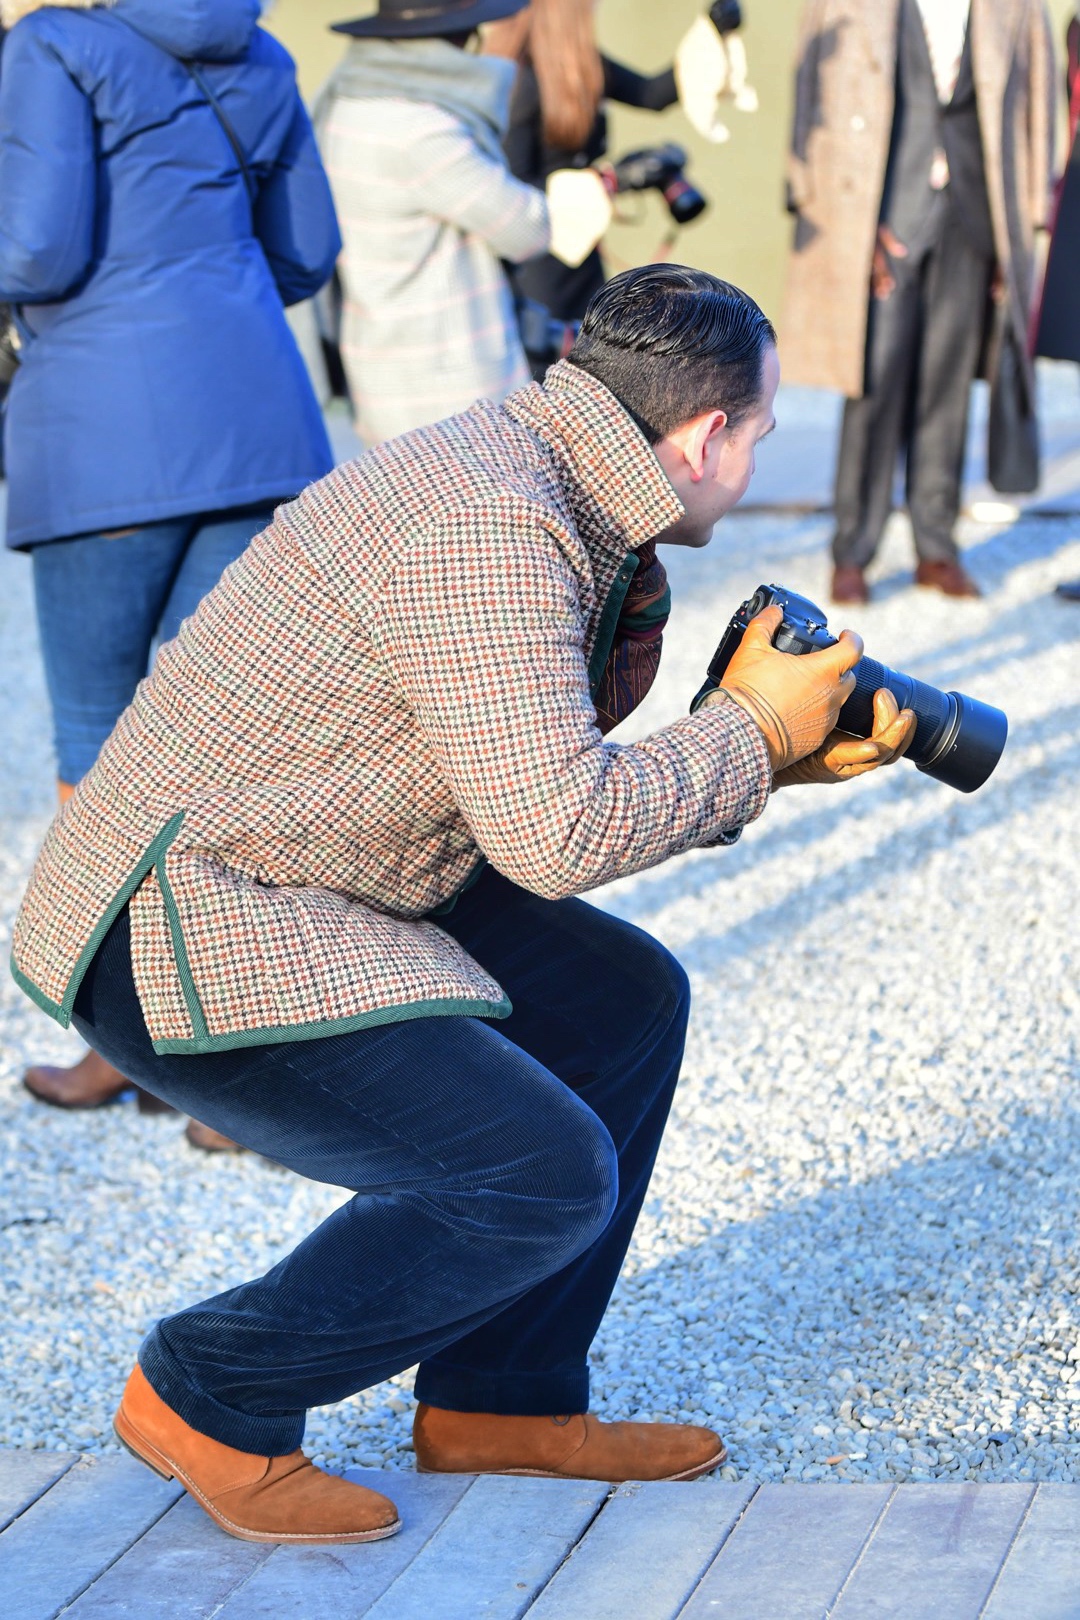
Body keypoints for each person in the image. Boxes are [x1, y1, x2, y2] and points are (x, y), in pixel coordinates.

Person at [11, 263, 917, 1543]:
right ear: (705, 434)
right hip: (177, 926)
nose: (760, 456)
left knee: (623, 1001)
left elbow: (523, 756)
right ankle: (212, 1388)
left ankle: (499, 1401)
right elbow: (554, 831)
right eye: (762, 431)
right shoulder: (495, 523)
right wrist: (747, 735)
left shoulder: (551, 468)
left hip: (309, 861)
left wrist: (762, 752)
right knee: (537, 1174)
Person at [0, 0, 341, 1142]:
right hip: (260, 421)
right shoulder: (263, 48)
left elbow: (37, 247)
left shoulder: (53, 44)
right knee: (233, 750)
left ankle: (119, 1042)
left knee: (98, 748)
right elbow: (307, 252)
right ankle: (236, 1078)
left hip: (102, 439)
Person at [783, 0, 1055, 605]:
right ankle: (852, 550)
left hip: (974, 218)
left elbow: (1038, 101)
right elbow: (812, 95)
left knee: (947, 384)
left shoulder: (1016, 7)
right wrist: (840, 218)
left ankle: (937, 546)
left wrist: (1031, 220)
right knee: (873, 384)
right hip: (882, 219)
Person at [319, 0, 607, 444]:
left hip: (378, 367)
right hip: (451, 386)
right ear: (454, 41)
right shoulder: (421, 132)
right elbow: (526, 231)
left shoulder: (345, 109)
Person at [488, 0, 745, 330]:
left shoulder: (580, 65)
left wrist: (711, 31)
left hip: (581, 245)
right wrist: (609, 181)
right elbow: (511, 189)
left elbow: (652, 94)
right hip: (538, 255)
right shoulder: (522, 82)